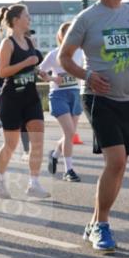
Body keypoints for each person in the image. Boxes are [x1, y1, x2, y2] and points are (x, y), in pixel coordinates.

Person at [59, 0, 129, 252]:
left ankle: (94, 221)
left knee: (120, 165)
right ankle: (101, 225)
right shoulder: (87, 18)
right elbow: (65, 57)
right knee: (115, 161)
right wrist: (88, 76)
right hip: (98, 97)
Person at [0, 4, 51, 199]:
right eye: (27, 16)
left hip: (31, 97)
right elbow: (2, 72)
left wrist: (42, 73)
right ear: (16, 20)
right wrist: (26, 63)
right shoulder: (7, 43)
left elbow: (31, 67)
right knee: (11, 144)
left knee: (38, 142)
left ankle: (34, 183)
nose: (30, 19)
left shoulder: (29, 41)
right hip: (12, 99)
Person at [40, 21, 84, 182]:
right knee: (69, 133)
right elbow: (40, 71)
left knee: (69, 134)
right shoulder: (54, 54)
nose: (69, 36)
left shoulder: (80, 52)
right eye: (66, 33)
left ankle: (55, 154)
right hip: (58, 95)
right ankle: (68, 170)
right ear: (60, 36)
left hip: (75, 94)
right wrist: (53, 78)